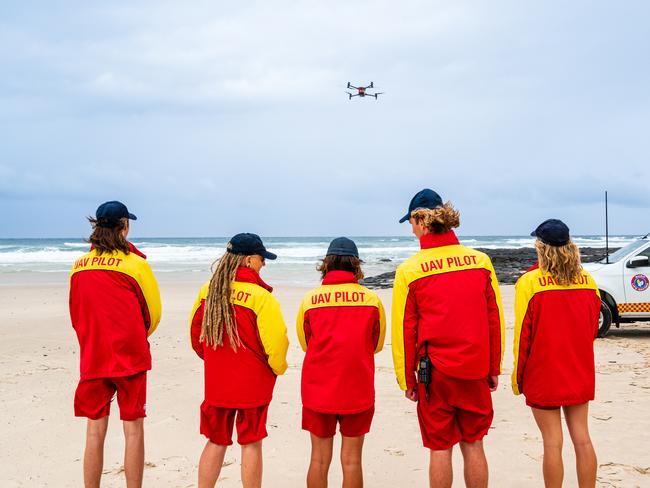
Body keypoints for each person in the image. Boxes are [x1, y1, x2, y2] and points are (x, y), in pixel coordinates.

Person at [391, 189, 505, 488]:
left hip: (436, 375)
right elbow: (494, 320)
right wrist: (494, 368)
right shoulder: (480, 262)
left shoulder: (410, 271)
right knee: (474, 444)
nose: (412, 230)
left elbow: (405, 330)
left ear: (421, 221)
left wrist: (408, 380)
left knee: (440, 448)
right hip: (475, 369)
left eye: (412, 223)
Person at [69, 201, 162, 488]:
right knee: (133, 429)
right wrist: (132, 333)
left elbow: (76, 312)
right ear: (124, 226)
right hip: (129, 356)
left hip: (94, 353)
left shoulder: (79, 265)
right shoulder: (136, 265)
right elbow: (153, 314)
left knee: (94, 430)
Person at [189, 233, 289, 488]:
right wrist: (277, 369)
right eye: (260, 259)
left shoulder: (208, 292)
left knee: (216, 440)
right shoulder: (261, 297)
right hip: (253, 383)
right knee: (251, 443)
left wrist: (214, 360)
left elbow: (196, 334)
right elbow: (276, 344)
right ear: (247, 260)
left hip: (218, 381)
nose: (263, 264)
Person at [512, 219, 601, 488]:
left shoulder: (529, 283)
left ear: (541, 248)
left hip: (544, 373)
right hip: (578, 370)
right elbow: (591, 328)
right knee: (582, 438)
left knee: (552, 442)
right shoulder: (588, 281)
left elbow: (522, 339)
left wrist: (518, 380)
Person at [296, 237, 386, 488]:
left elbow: (305, 343)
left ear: (326, 264)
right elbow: (377, 344)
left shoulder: (310, 300)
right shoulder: (371, 300)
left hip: (318, 389)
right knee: (352, 461)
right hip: (357, 388)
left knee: (319, 459)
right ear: (356, 265)